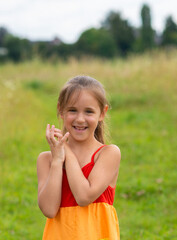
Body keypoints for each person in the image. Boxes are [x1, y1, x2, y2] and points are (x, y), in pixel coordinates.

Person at [37, 75, 121, 240]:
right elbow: (49, 209)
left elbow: (83, 197)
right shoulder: (46, 160)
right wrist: (56, 161)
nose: (80, 119)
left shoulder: (108, 153)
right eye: (72, 110)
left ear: (102, 113)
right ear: (61, 110)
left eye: (89, 111)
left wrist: (65, 150)